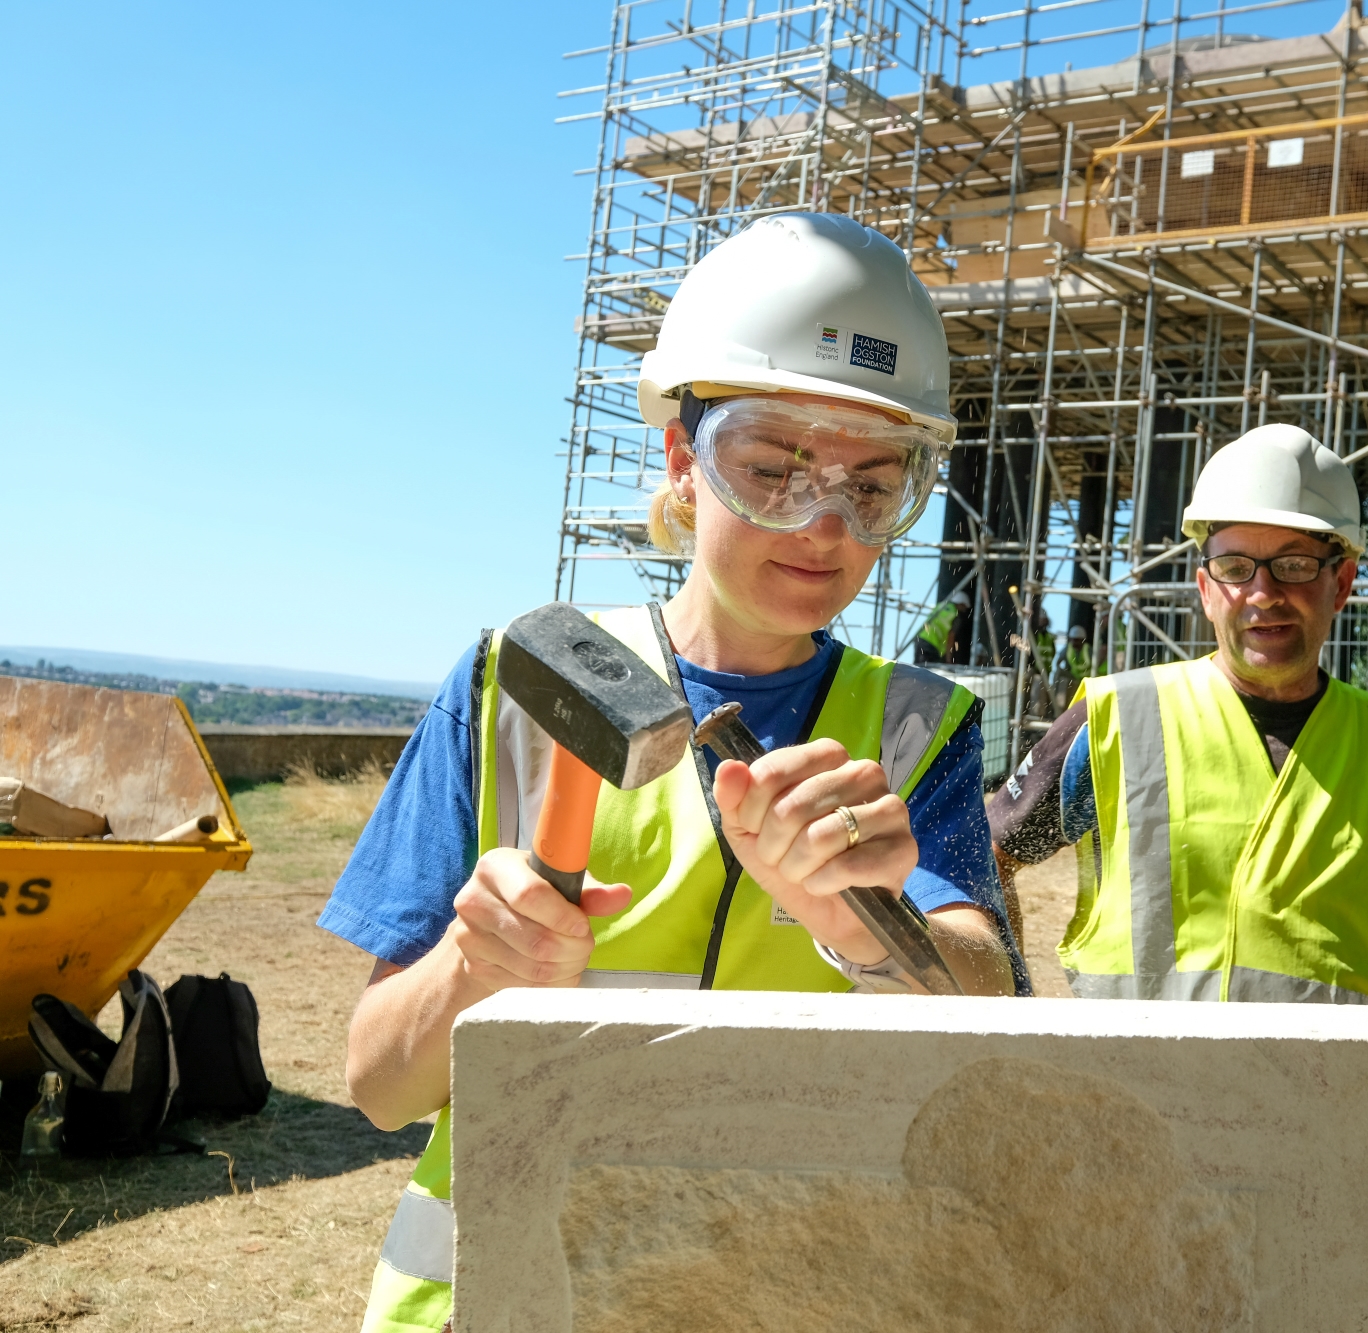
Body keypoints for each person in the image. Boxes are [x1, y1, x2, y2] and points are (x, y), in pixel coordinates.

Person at [322, 213, 1027, 1333]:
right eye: (772, 467)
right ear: (680, 459)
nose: (823, 524)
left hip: (779, 1292)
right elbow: (377, 1083)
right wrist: (470, 967)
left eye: (873, 485)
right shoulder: (513, 681)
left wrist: (862, 925)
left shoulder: (915, 730)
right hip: (499, 1293)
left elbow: (990, 1001)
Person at [988, 424, 1368, 1128]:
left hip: (1326, 1128)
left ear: (1341, 582)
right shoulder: (1116, 717)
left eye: (1293, 564)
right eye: (1235, 567)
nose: (1262, 592)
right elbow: (983, 858)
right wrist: (1013, 1017)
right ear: (1206, 588)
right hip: (1128, 1117)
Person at [914, 588, 972, 664]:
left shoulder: (941, 606)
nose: (964, 610)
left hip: (920, 637)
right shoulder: (955, 615)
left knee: (916, 669)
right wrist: (948, 659)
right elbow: (951, 637)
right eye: (964, 607)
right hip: (932, 643)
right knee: (928, 671)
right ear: (961, 604)